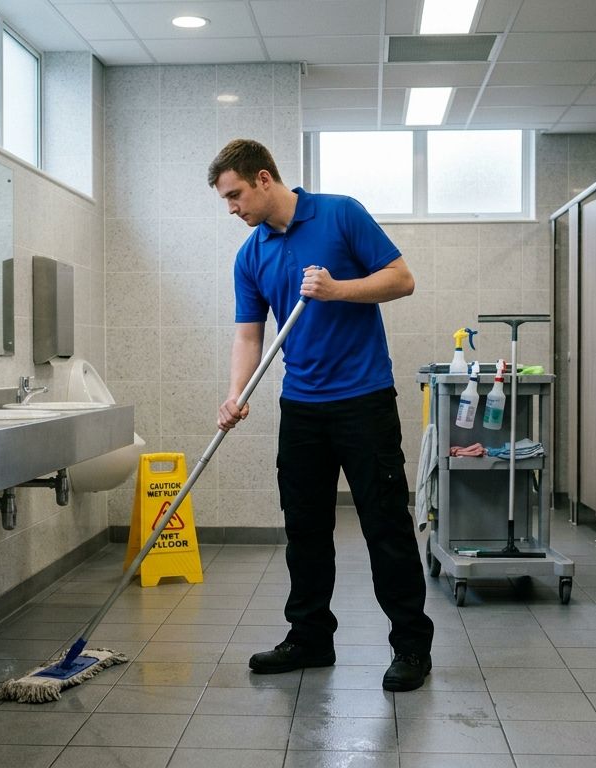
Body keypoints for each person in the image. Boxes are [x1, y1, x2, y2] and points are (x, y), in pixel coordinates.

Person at [207, 138, 436, 692]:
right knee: (305, 528)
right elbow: (248, 332)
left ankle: (410, 644)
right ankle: (310, 638)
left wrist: (337, 289)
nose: (232, 208)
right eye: (225, 200)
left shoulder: (340, 213)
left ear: (264, 178)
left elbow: (401, 280)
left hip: (364, 401)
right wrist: (236, 392)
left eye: (235, 195)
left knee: (385, 525)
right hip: (301, 408)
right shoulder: (251, 254)